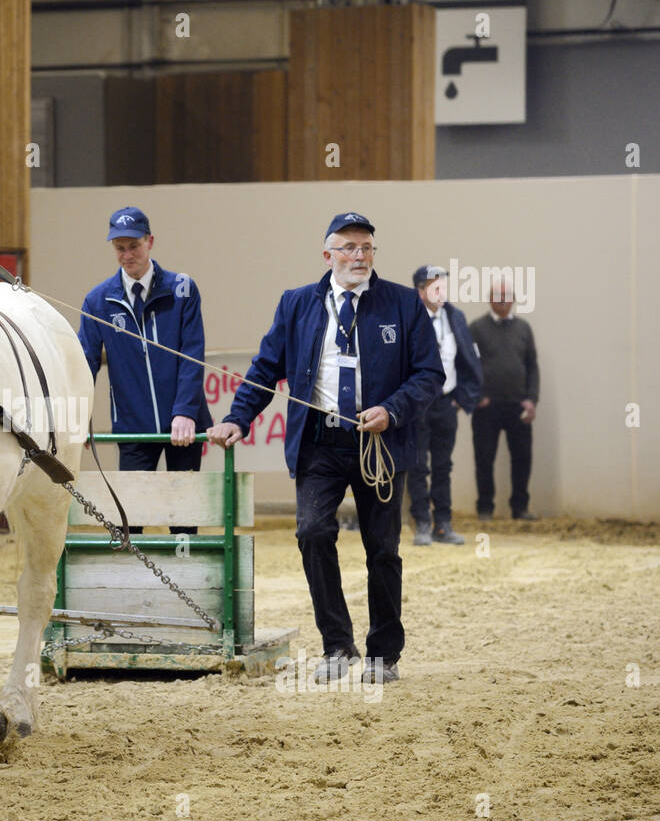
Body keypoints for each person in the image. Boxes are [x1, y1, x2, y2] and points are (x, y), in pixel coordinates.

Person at [207, 212, 443, 684]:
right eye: (349, 247)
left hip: (381, 445)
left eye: (367, 247)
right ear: (328, 254)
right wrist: (237, 417)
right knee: (312, 532)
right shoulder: (297, 304)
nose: (359, 256)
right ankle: (337, 645)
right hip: (320, 442)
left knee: (383, 549)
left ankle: (383, 654)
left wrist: (392, 410)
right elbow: (264, 368)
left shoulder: (402, 304)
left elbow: (429, 374)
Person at [78, 206, 212, 534]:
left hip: (184, 426)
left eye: (134, 246)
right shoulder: (98, 301)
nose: (127, 255)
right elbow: (85, 363)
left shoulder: (183, 289)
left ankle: (184, 583)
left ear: (150, 242)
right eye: (120, 248)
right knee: (131, 522)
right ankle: (134, 586)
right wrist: (79, 416)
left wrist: (184, 412)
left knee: (182, 521)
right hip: (132, 428)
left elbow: (192, 354)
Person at [405, 265, 483, 545]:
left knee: (443, 465)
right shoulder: (409, 318)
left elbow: (468, 358)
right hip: (417, 403)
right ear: (420, 291)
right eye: (434, 286)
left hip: (445, 402)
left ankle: (443, 524)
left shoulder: (454, 316)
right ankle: (422, 523)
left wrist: (462, 398)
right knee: (417, 465)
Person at [469, 277, 540, 520]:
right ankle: (485, 508)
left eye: (507, 297)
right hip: (487, 407)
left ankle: (520, 508)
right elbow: (467, 365)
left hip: (518, 405)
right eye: (498, 297)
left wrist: (532, 400)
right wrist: (477, 396)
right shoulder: (477, 328)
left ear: (513, 300)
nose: (503, 301)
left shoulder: (524, 328)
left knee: (522, 458)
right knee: (484, 459)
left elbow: (532, 366)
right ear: (490, 300)